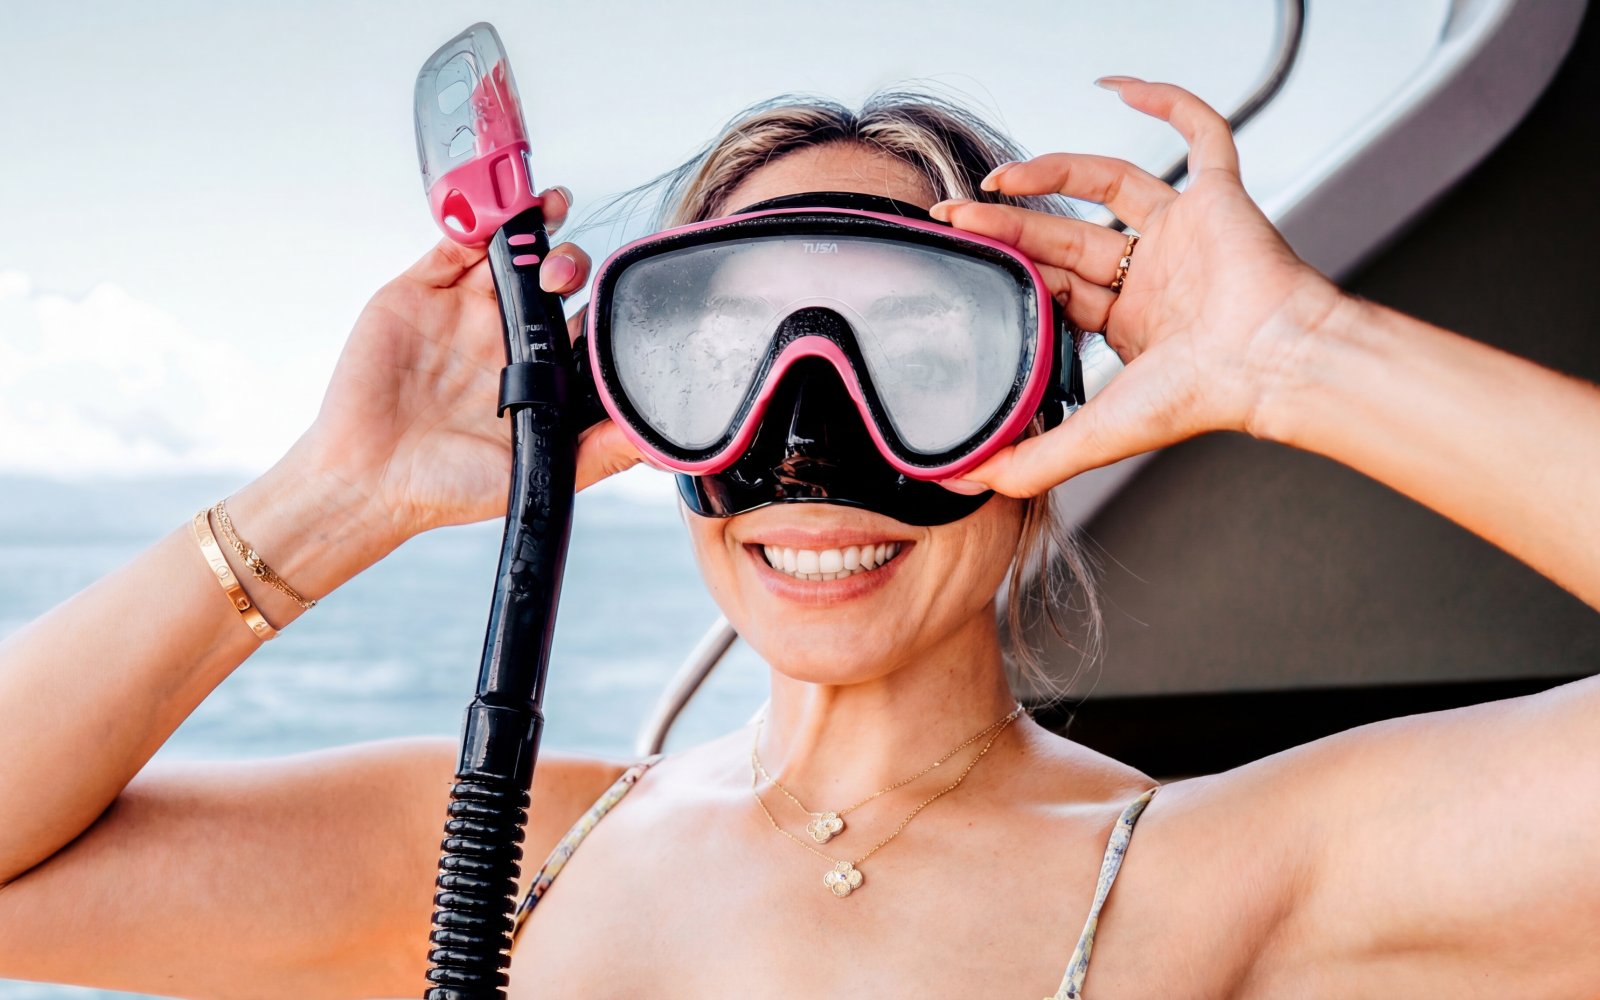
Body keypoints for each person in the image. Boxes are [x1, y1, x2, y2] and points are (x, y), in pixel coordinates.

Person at [1, 79, 1596, 999]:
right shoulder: (505, 849)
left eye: (919, 353)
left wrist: (1297, 356)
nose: (811, 436)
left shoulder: (1214, 879)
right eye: (726, 354)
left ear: (1042, 413)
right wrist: (337, 493)